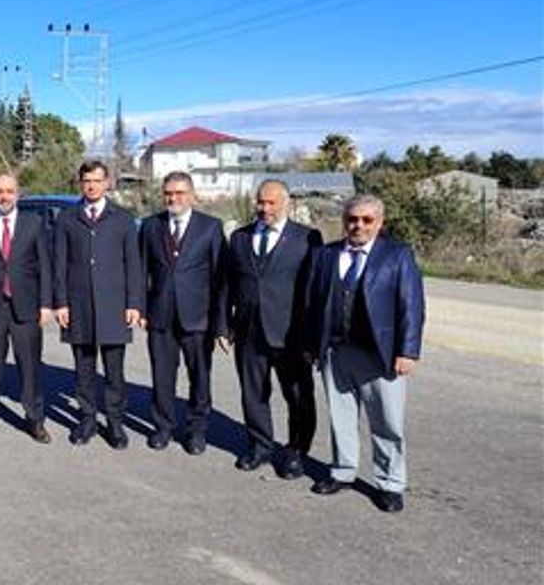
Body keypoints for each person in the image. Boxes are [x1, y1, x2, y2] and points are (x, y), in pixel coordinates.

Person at [305, 194, 424, 513]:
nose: (358, 225)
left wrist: (408, 350)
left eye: (367, 220)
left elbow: (411, 305)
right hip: (336, 352)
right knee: (341, 418)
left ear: (380, 222)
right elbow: (312, 303)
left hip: (379, 354)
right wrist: (312, 345)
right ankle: (342, 472)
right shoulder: (326, 254)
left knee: (387, 422)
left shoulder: (397, 255)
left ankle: (390, 483)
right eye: (352, 219)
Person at [224, 179, 323, 478]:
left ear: (286, 203)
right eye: (260, 202)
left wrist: (313, 338)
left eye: (271, 203)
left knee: (298, 396)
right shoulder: (240, 237)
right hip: (248, 332)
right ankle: (260, 446)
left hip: (291, 334)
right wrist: (224, 325)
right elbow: (228, 285)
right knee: (253, 394)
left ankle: (296, 451)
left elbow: (315, 291)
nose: (264, 208)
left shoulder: (307, 238)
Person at [54, 161, 144, 448]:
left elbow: (133, 264)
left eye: (97, 180)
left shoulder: (123, 219)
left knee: (114, 372)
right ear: (80, 183)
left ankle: (115, 423)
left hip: (114, 306)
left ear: (107, 183)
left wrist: (134, 302)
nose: (91, 185)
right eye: (87, 181)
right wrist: (61, 302)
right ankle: (87, 420)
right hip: (78, 305)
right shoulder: (67, 218)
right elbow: (59, 264)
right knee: (84, 370)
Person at [139, 171, 228, 455]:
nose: (173, 198)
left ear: (191, 195)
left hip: (198, 318)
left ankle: (196, 430)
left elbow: (221, 279)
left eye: (179, 193)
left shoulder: (210, 227)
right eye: (168, 193)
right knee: (162, 377)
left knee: (199, 378)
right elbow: (141, 271)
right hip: (160, 315)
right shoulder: (151, 226)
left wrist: (221, 324)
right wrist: (141, 308)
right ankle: (163, 427)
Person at [0, 173, 54, 444]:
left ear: (18, 194)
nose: (4, 196)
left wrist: (46, 304)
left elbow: (45, 266)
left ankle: (35, 419)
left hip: (26, 307)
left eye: (9, 191)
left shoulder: (33, 223)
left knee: (30, 367)